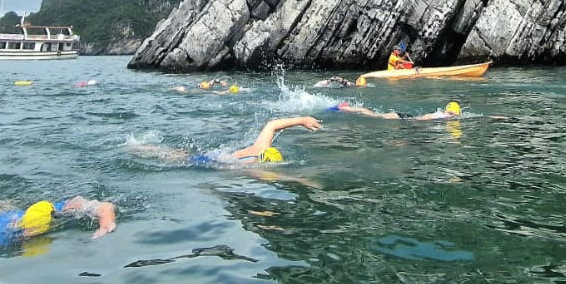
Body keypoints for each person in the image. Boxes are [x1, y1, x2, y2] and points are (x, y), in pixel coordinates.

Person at [128, 116, 322, 166]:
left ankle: (138, 146)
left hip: (216, 156)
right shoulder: (249, 166)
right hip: (208, 161)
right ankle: (135, 147)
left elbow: (272, 125)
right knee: (174, 157)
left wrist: (302, 120)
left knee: (176, 153)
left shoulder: (260, 148)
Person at [328, 101, 462, 121]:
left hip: (406, 117)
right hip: (404, 118)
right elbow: (427, 117)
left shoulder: (442, 114)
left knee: (376, 115)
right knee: (376, 116)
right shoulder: (440, 115)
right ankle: (344, 108)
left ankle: (346, 107)